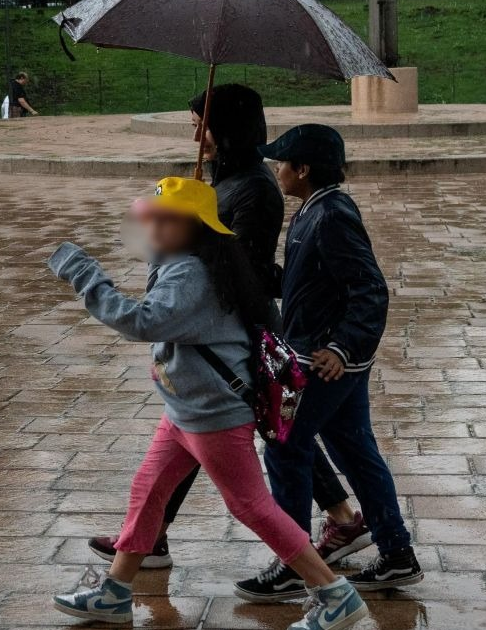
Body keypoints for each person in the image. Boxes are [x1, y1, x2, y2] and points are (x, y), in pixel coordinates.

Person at [49, 177, 368, 630]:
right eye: (150, 218)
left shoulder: (192, 273)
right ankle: (114, 592)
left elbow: (142, 321)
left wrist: (83, 273)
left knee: (252, 507)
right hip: (185, 412)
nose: (154, 228)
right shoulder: (190, 263)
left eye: (167, 220)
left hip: (213, 417)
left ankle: (335, 594)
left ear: (196, 227)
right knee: (149, 491)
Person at [87, 86, 371, 594]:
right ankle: (137, 557)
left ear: (231, 128)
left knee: (263, 458)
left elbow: (246, 270)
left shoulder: (257, 190)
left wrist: (194, 240)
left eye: (205, 123)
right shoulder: (222, 179)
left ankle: (330, 579)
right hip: (204, 351)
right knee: (207, 448)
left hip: (236, 337)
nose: (197, 133)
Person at [238, 124, 423, 596]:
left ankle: (295, 564)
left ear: (302, 169)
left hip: (325, 362)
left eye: (281, 162)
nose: (275, 170)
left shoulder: (332, 215)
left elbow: (369, 288)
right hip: (325, 357)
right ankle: (397, 553)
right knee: (355, 453)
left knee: (284, 447)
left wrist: (342, 348)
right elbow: (310, 281)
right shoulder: (310, 211)